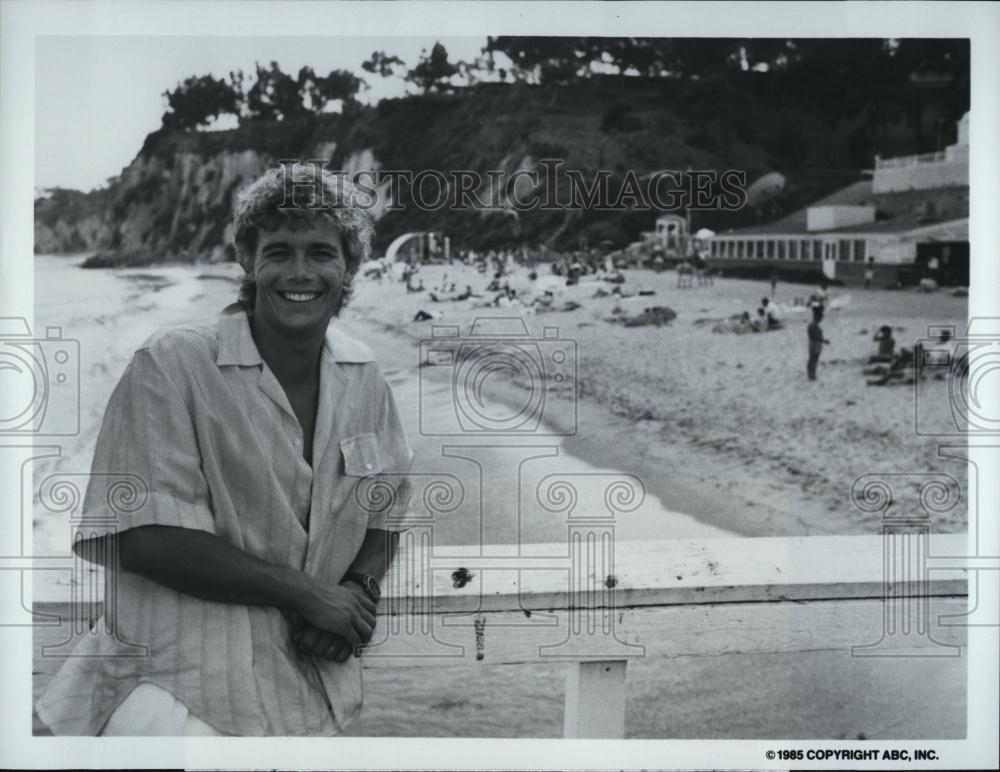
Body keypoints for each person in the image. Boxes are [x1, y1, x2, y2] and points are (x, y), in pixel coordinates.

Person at [36, 164, 417, 737]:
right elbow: (142, 536)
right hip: (176, 692)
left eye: (320, 252)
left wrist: (357, 589)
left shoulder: (364, 377)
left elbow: (386, 505)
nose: (299, 272)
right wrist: (308, 594)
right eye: (278, 251)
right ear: (247, 260)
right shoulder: (172, 364)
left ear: (349, 267)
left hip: (307, 696)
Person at [807, 305, 830, 381]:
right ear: (818, 317)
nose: (822, 319)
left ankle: (810, 374)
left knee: (811, 360)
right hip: (816, 345)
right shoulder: (815, 326)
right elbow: (817, 337)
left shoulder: (811, 325)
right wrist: (824, 341)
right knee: (814, 360)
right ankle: (812, 375)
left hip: (811, 344)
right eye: (821, 317)